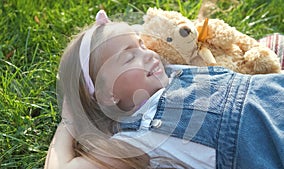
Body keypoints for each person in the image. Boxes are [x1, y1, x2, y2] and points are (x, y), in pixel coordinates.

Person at [45, 10, 284, 169]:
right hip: (269, 143)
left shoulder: (173, 72)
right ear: (109, 94)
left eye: (140, 45)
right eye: (129, 58)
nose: (149, 54)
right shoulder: (133, 141)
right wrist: (68, 123)